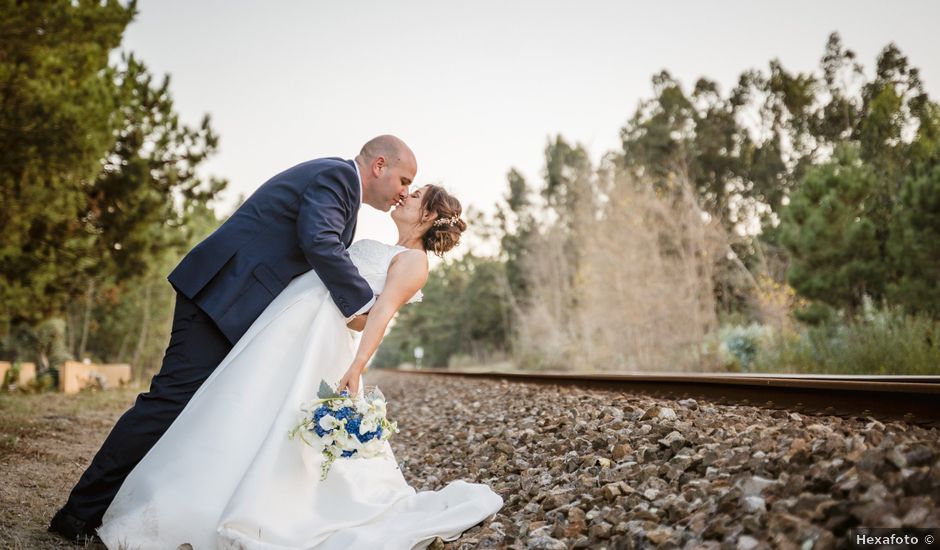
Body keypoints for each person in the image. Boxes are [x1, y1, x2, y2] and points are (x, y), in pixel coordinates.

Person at [49, 135, 417, 542]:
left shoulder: (338, 185)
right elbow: (319, 240)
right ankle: (77, 514)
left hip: (237, 306)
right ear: (379, 165)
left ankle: (135, 508)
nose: (404, 192)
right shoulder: (337, 177)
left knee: (197, 413)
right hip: (220, 298)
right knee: (167, 404)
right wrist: (362, 304)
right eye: (404, 180)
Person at [96, 184, 503, 549]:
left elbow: (379, 314)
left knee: (282, 415)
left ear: (429, 215)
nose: (406, 195)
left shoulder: (415, 262)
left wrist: (358, 365)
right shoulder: (390, 247)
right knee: (248, 402)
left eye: (415, 196)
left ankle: (267, 502)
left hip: (315, 342)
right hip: (291, 327)